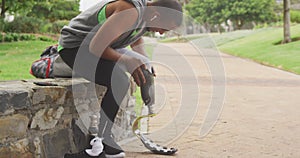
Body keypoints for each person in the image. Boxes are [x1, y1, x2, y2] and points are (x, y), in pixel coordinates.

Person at [59, 0, 183, 157]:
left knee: (140, 68)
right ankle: (98, 145)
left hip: (97, 47)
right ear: (156, 15)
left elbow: (134, 36)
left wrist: (144, 62)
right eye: (164, 28)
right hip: (75, 47)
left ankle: (105, 141)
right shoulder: (130, 11)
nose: (161, 33)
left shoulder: (147, 17)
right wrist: (126, 60)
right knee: (119, 80)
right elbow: (96, 46)